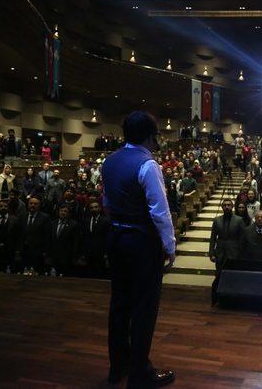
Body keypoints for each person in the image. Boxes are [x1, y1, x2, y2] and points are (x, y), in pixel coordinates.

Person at [102, 111, 176, 387]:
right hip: (141, 243)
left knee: (119, 304)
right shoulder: (148, 165)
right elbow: (160, 212)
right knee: (144, 308)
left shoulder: (109, 161)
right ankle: (139, 372)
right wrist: (170, 247)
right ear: (149, 136)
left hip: (116, 238)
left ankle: (116, 367)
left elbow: (107, 203)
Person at [16, 196, 52, 274]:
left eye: (35, 204)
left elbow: (47, 236)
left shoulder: (45, 217)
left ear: (39, 206)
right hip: (23, 251)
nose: (33, 205)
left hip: (38, 252)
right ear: (27, 205)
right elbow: (18, 234)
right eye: (31, 203)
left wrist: (46, 252)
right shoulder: (22, 216)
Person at [79, 201, 111, 278]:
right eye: (92, 207)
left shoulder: (106, 221)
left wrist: (106, 253)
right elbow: (84, 237)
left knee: (99, 274)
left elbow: (107, 238)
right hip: (88, 252)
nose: (94, 209)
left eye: (96, 207)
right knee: (88, 274)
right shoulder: (86, 220)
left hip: (100, 252)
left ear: (100, 208)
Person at [51, 203, 80, 276]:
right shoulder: (53, 223)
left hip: (67, 257)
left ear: (69, 214)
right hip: (54, 255)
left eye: (65, 211)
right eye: (61, 210)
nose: (63, 212)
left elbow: (75, 242)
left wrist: (74, 256)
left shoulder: (74, 224)